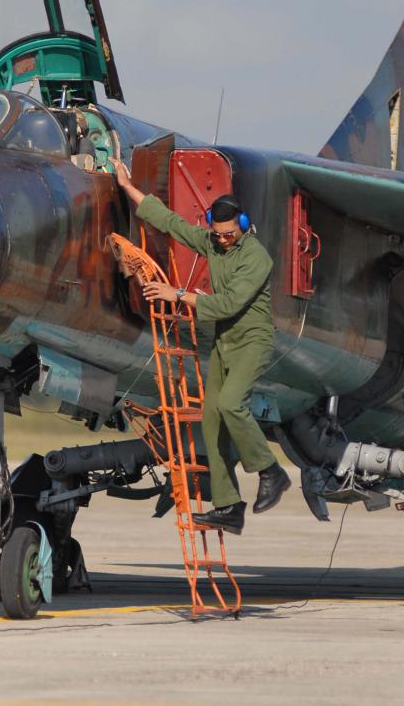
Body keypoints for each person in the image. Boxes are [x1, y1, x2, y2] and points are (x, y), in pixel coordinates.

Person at [110, 162, 290, 535]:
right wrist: (128, 187)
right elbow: (172, 223)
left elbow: (227, 304)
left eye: (228, 235)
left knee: (230, 405)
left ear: (241, 227)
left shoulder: (256, 258)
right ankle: (229, 507)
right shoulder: (212, 241)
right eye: (218, 234)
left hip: (252, 340)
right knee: (211, 421)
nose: (222, 240)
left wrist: (175, 294)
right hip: (225, 342)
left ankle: (272, 471)